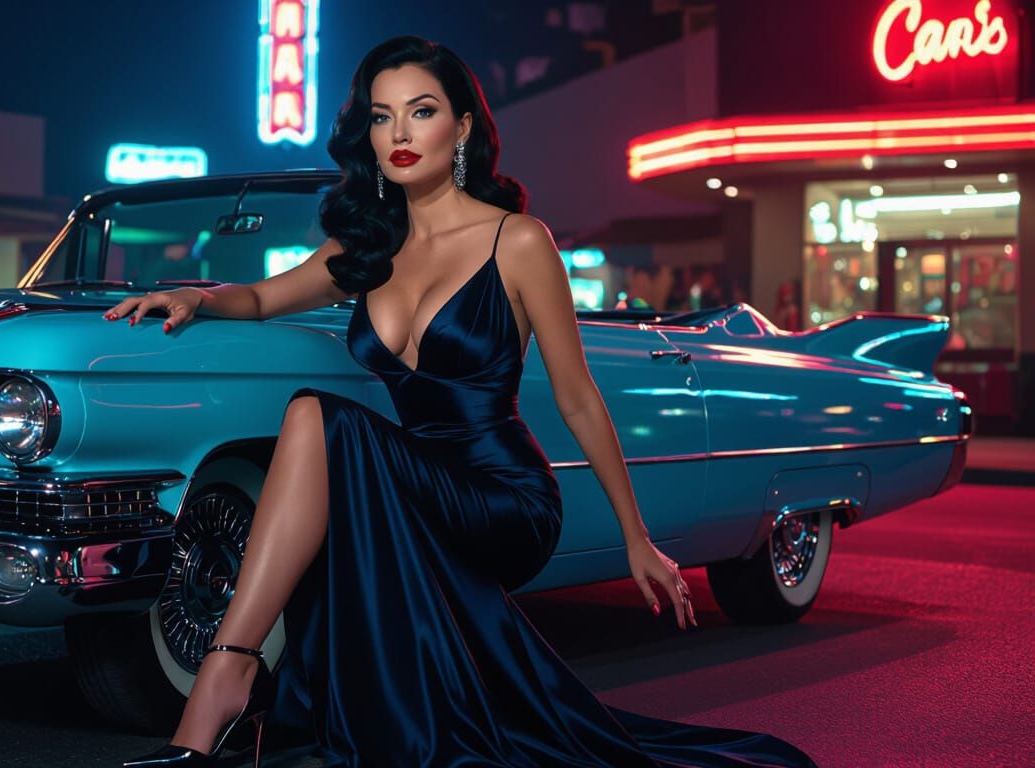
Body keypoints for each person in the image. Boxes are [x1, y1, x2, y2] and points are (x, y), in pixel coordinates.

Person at [104, 35, 818, 768]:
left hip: (502, 496)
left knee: (316, 417)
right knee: (323, 431)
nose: (401, 134)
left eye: (422, 111)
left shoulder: (518, 242)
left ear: (464, 127)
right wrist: (196, 296)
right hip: (414, 482)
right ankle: (232, 692)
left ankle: (227, 677)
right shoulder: (367, 248)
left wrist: (636, 537)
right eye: (382, 117)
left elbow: (576, 397)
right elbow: (260, 297)